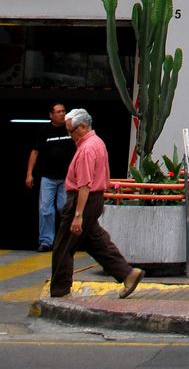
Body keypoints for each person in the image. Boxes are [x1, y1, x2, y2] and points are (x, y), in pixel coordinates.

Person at [50, 108, 142, 301]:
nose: (70, 135)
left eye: (71, 131)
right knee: (95, 241)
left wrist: (78, 215)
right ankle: (127, 274)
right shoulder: (97, 142)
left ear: (82, 127)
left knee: (63, 246)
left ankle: (60, 290)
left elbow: (84, 185)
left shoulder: (86, 149)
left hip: (83, 200)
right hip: (93, 200)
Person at [25, 101, 74, 250]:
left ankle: (67, 241)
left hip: (66, 177)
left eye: (63, 111)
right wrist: (29, 174)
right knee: (45, 209)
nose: (62, 114)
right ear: (51, 115)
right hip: (48, 177)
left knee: (64, 208)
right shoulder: (44, 130)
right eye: (58, 112)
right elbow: (35, 152)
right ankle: (46, 241)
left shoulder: (70, 128)